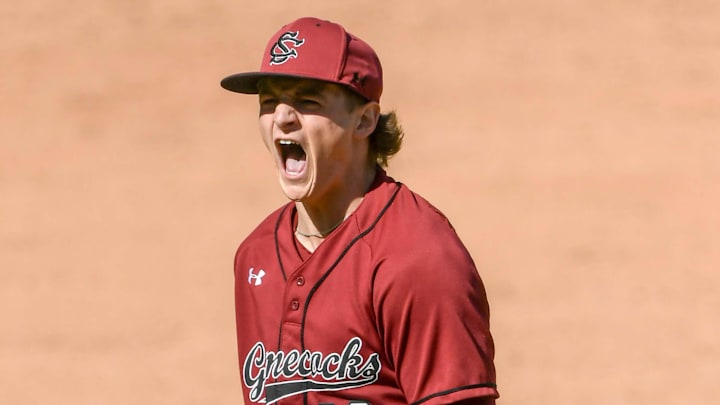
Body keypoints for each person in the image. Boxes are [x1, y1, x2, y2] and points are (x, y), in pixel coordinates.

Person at [220, 17, 499, 405]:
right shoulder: (256, 255)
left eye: (307, 100)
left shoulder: (418, 257)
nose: (282, 117)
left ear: (364, 121)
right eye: (270, 102)